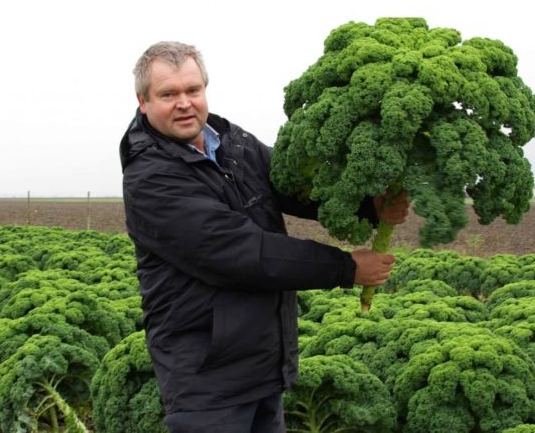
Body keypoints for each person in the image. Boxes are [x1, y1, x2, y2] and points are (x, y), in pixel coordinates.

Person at [120, 41, 410, 433]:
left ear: (205, 89)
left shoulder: (231, 142)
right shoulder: (152, 178)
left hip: (262, 367)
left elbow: (293, 186)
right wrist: (346, 267)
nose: (184, 103)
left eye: (193, 90)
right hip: (207, 379)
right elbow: (244, 253)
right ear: (144, 101)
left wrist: (368, 206)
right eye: (168, 94)